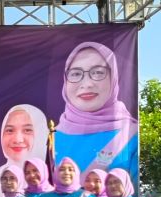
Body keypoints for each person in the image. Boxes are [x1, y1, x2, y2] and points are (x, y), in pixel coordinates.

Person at [55, 42, 139, 178]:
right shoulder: (50, 137)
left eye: (98, 72)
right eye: (76, 74)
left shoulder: (131, 134)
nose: (87, 84)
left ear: (114, 77)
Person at [0, 105, 49, 197]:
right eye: (10, 130)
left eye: (27, 130)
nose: (17, 140)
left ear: (41, 134)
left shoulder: (57, 180)